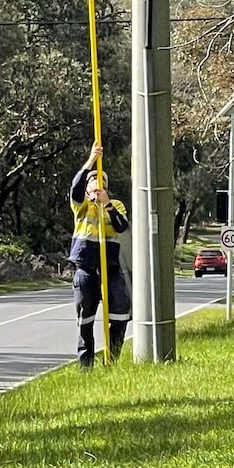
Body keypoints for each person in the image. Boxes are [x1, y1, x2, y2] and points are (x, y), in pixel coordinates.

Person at [68, 141, 131, 368]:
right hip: (86, 269)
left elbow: (122, 226)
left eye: (102, 182)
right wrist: (92, 160)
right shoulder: (82, 207)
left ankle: (111, 361)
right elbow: (75, 186)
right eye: (94, 181)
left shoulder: (116, 205)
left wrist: (108, 206)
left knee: (120, 314)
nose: (98, 184)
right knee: (85, 321)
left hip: (111, 268)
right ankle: (86, 366)